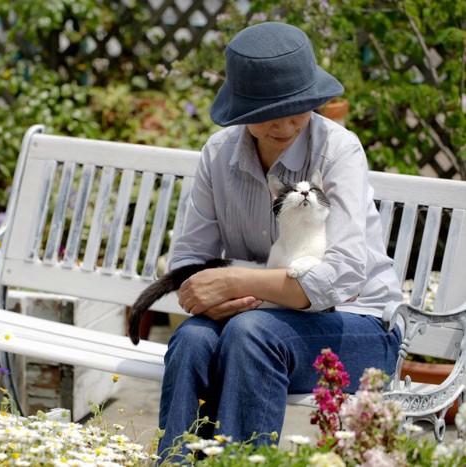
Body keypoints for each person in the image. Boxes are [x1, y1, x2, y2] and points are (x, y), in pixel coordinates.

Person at [157, 22, 403, 461]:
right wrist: (210, 300)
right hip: (256, 322)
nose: (287, 124)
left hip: (360, 324)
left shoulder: (338, 150)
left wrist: (233, 284)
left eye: (300, 108)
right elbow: (191, 261)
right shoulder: (218, 154)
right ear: (240, 109)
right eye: (271, 111)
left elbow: (341, 277)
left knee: (252, 333)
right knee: (193, 341)